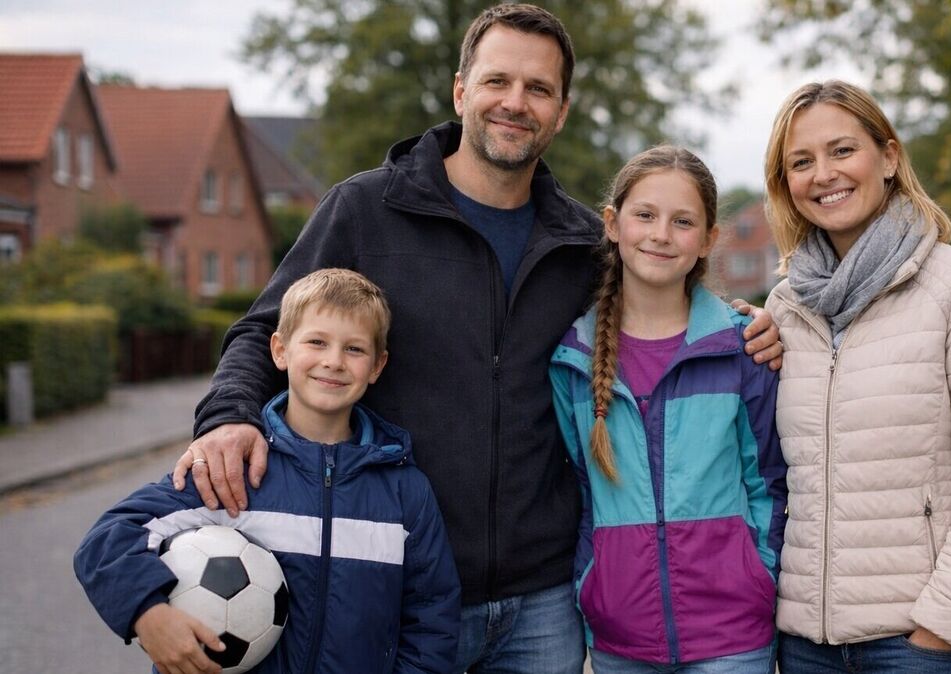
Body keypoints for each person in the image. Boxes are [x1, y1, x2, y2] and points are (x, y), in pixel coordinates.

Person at [169, 5, 783, 672]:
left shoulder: (580, 244)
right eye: (498, 82)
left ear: (561, 111)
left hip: (541, 601)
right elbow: (265, 329)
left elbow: (658, 312)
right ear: (462, 90)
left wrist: (750, 325)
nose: (515, 103)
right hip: (400, 581)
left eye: (538, 89)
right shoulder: (366, 210)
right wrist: (229, 417)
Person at [761, 79, 951, 673]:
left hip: (927, 643)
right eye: (801, 162)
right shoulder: (786, 308)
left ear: (888, 158)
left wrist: (944, 625)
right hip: (809, 646)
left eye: (842, 150)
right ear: (786, 184)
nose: (824, 174)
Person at [75, 268, 460, 674]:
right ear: (280, 350)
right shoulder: (230, 469)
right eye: (316, 342)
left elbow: (432, 617)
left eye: (354, 349)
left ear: (377, 366)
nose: (333, 361)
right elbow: (107, 540)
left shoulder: (404, 491)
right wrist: (148, 615)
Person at [550, 146, 787, 673]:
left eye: (683, 222)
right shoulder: (573, 360)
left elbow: (768, 483)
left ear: (707, 240)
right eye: (645, 215)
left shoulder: (742, 348)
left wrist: (758, 576)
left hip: (732, 636)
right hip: (620, 637)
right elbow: (580, 491)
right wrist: (595, 584)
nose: (661, 234)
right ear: (612, 224)